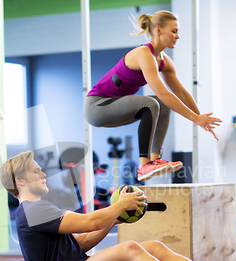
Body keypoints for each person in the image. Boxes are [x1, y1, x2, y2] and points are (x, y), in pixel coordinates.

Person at [0, 151, 236, 261]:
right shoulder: (32, 211)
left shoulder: (38, 210)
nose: (44, 174)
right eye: (37, 172)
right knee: (131, 249)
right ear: (20, 181)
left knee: (153, 247)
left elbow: (78, 244)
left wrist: (114, 220)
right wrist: (119, 206)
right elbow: (90, 222)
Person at [84, 10, 222, 182]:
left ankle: (154, 159)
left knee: (162, 104)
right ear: (158, 30)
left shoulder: (164, 61)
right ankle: (144, 165)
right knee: (152, 102)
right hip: (97, 107)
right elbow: (163, 93)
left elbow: (181, 92)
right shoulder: (144, 54)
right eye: (174, 31)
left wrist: (200, 117)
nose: (177, 36)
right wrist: (194, 119)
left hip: (115, 105)